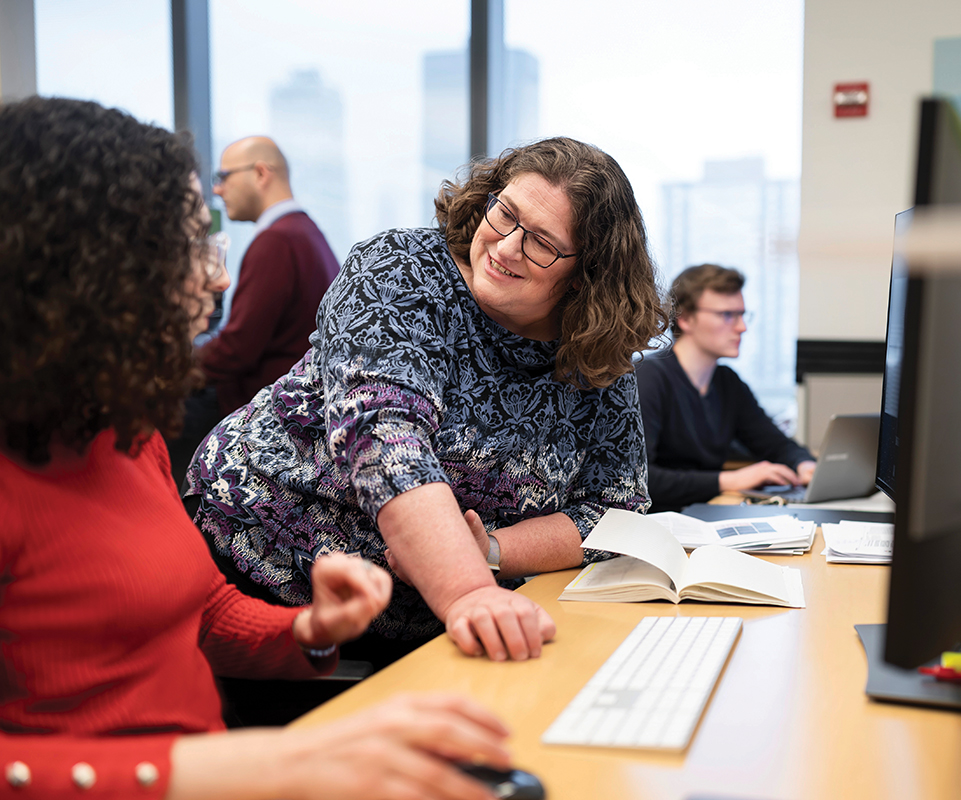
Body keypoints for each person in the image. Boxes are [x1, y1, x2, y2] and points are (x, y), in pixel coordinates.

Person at [0, 97, 512, 800]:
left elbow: (201, 611)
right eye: (189, 244)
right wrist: (253, 766)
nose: (214, 277)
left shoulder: (124, 429)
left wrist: (310, 628)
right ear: (83, 270)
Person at [185, 137, 668, 667]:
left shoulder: (595, 352)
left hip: (432, 618)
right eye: (504, 214)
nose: (506, 247)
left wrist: (490, 552)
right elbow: (387, 442)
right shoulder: (403, 270)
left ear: (588, 276)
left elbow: (614, 511)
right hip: (264, 566)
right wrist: (468, 590)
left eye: (542, 243)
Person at [165, 136, 340, 488]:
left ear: (261, 173)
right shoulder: (307, 233)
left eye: (224, 176)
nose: (217, 189)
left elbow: (239, 348)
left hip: (262, 414)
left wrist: (169, 369)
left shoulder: (278, 240)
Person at [636, 264, 816, 512]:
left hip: (703, 513)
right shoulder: (648, 377)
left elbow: (773, 442)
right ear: (686, 318)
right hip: (658, 523)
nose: (742, 327)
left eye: (742, 315)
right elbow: (640, 479)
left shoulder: (726, 382)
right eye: (727, 315)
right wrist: (730, 480)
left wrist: (804, 464)